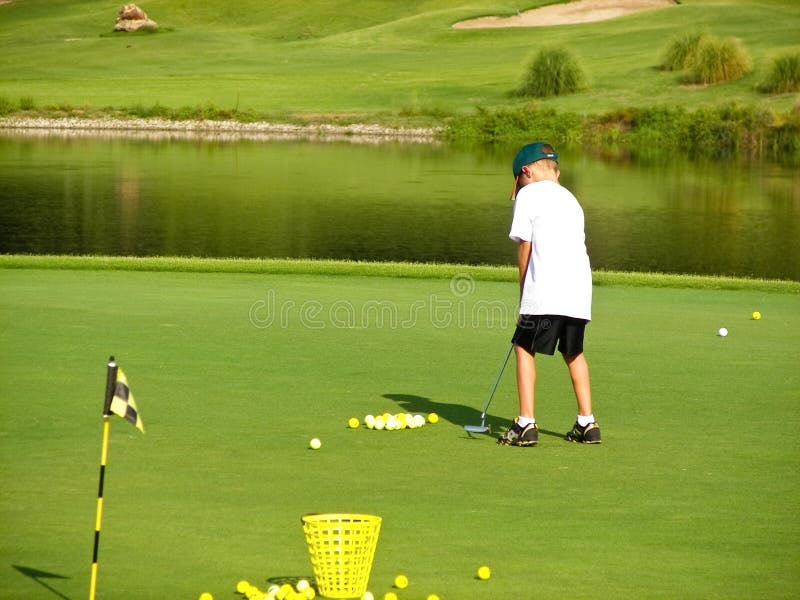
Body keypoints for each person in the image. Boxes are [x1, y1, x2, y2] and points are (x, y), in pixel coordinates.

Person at [497, 142, 601, 446]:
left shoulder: (529, 194)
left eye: (520, 178)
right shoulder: (571, 199)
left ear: (526, 171)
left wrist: (523, 292)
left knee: (523, 347)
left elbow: (525, 246)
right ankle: (587, 423)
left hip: (544, 288)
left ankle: (526, 423)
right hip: (578, 291)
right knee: (573, 352)